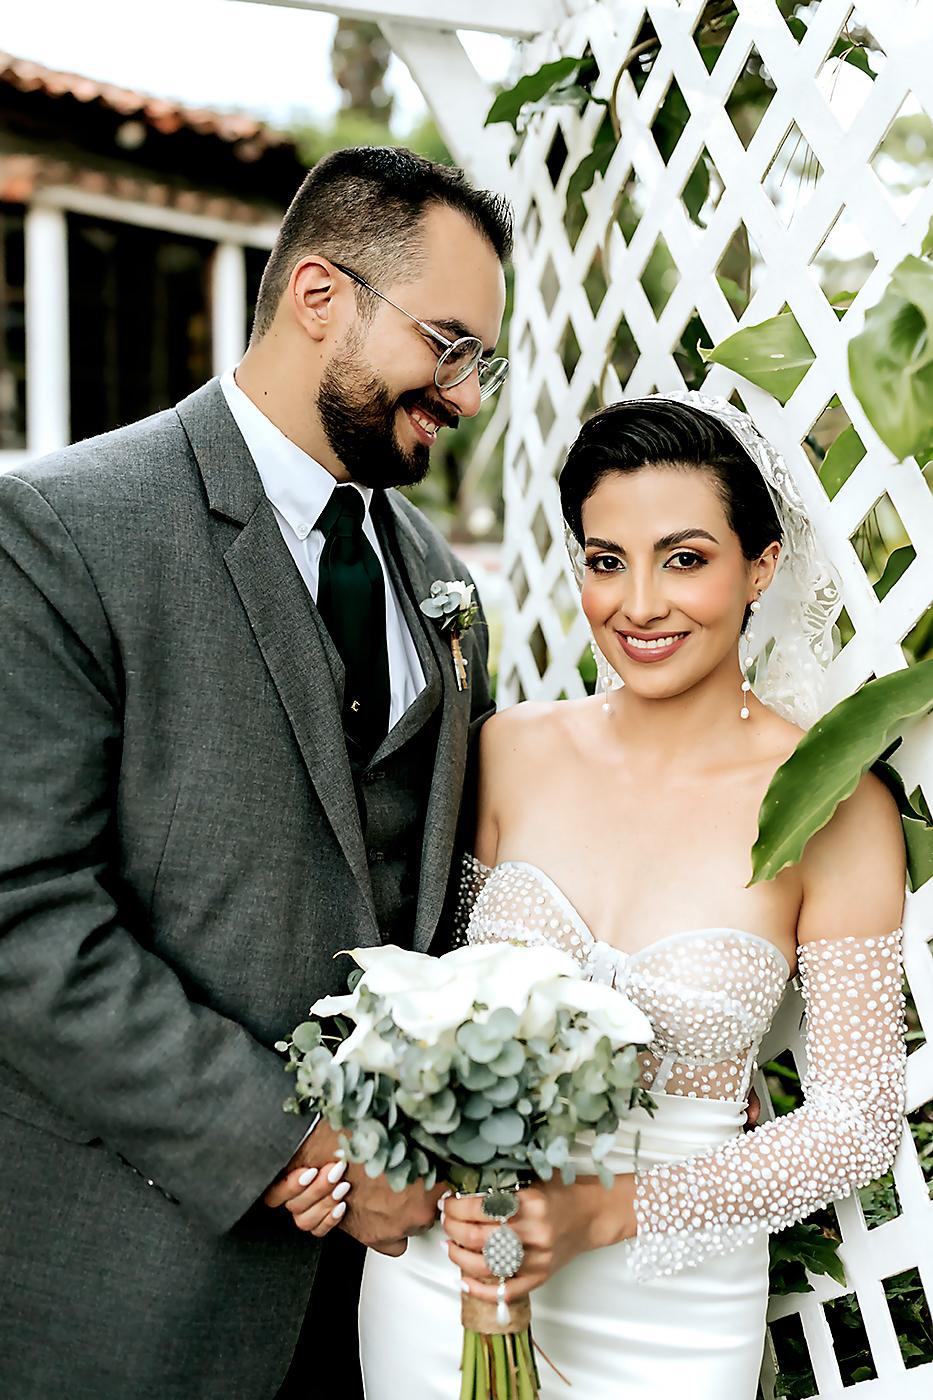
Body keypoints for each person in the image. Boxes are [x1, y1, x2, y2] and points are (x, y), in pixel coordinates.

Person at [0, 146, 510, 1400]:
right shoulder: (66, 529)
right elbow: (25, 919)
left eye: (481, 363)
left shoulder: (446, 582)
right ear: (320, 296)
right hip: (138, 1277)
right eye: (448, 344)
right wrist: (312, 1145)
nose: (465, 396)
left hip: (381, 1306)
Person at [352, 393, 907, 1396]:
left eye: (685, 558)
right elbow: (436, 993)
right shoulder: (509, 750)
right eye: (606, 560)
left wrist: (610, 1210)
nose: (639, 602)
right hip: (450, 1273)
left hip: (673, 1308)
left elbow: (857, 1120)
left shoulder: (835, 805)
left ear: (762, 565)